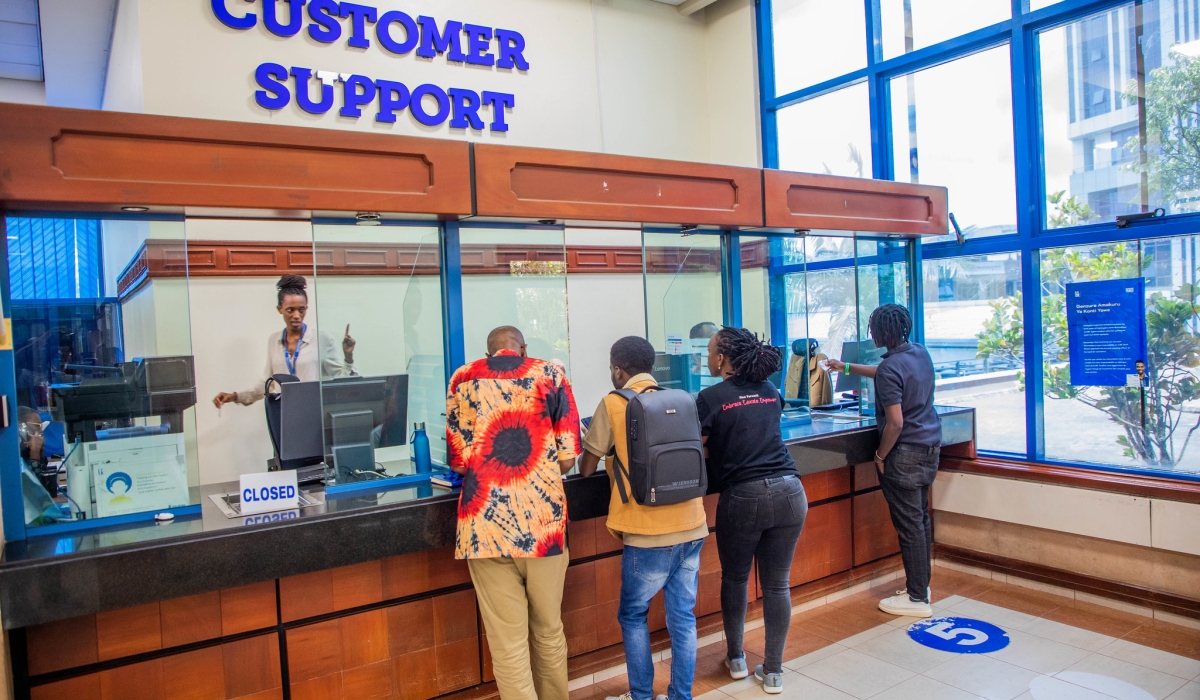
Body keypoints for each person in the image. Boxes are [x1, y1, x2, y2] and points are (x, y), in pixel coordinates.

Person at [446, 326, 581, 700]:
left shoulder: (462, 378)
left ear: (488, 352)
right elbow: (568, 458)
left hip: (484, 527)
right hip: (543, 526)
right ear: (523, 349)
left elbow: (458, 462)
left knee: (508, 642)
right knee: (548, 629)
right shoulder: (551, 374)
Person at [578, 336, 708, 700]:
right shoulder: (681, 399)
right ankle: (680, 695)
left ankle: (641, 695)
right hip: (692, 525)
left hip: (646, 532)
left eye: (612, 368)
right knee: (683, 617)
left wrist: (594, 442)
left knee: (634, 616)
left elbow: (586, 468)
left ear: (619, 370)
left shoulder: (613, 403)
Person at [699, 327, 807, 695]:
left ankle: (736, 659)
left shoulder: (710, 397)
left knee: (735, 578)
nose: (707, 357)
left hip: (744, 496)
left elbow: (698, 447)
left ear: (720, 359)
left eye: (710, 352)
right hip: (791, 491)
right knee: (777, 584)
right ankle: (773, 672)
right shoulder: (770, 390)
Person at [826, 304, 941, 618]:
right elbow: (885, 373)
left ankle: (917, 599)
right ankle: (921, 587)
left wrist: (880, 455)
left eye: (872, 329)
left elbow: (896, 423)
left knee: (909, 526)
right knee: (920, 521)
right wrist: (844, 367)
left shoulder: (891, 367)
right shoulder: (918, 352)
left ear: (881, 332)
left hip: (904, 454)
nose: (870, 334)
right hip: (929, 448)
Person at [211, 274, 357, 408]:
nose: (297, 315)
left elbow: (341, 380)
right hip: (283, 412)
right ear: (279, 309)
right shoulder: (274, 340)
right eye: (290, 310)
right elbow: (267, 384)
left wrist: (348, 356)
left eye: (301, 310)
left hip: (314, 411)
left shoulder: (321, 339)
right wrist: (236, 396)